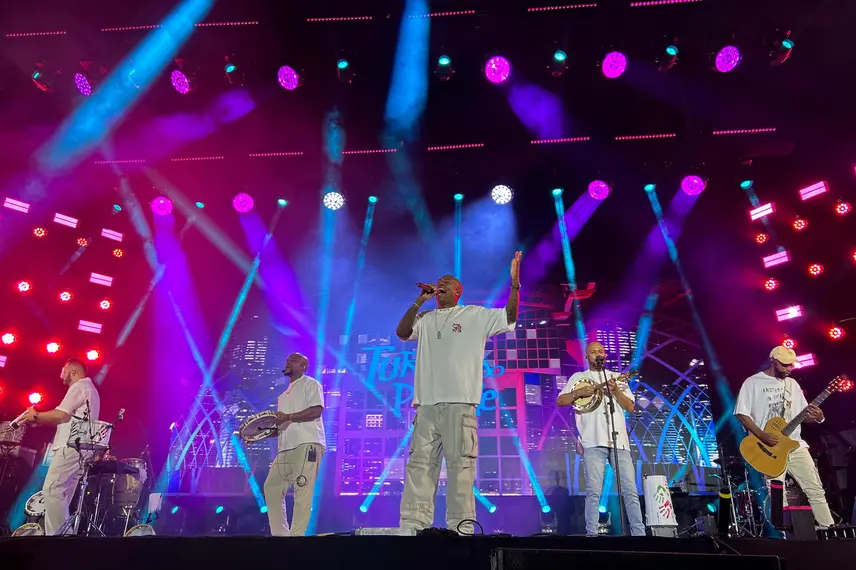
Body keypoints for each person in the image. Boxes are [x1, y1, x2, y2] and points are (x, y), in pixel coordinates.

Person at [396, 252, 522, 534]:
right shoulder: (425, 317)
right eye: (437, 283)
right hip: (426, 404)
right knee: (419, 465)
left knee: (460, 467)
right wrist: (420, 300)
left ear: (457, 291)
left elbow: (510, 316)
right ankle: (413, 523)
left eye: (446, 283)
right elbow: (402, 332)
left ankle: (461, 525)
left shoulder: (475, 314)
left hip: (460, 403)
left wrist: (515, 285)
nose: (439, 285)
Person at [734, 345, 834, 528]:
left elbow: (804, 416)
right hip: (768, 448)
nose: (789, 369)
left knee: (815, 489)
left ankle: (828, 529)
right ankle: (785, 534)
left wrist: (819, 417)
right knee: (778, 496)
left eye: (791, 365)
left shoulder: (792, 384)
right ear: (772, 361)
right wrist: (762, 435)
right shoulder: (753, 382)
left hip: (795, 444)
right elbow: (741, 414)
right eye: (785, 365)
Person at [556, 342, 645, 536]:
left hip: (619, 442)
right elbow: (560, 401)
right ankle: (592, 534)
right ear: (586, 357)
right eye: (593, 352)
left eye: (601, 351)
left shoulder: (616, 378)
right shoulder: (578, 377)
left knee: (630, 490)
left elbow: (630, 407)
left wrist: (616, 392)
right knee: (593, 491)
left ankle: (639, 535)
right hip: (591, 442)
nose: (598, 354)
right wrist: (578, 393)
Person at [20, 358, 101, 536]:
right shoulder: (90, 390)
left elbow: (61, 415)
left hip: (71, 446)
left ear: (72, 371)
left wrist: (36, 416)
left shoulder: (80, 386)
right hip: (79, 448)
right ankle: (62, 537)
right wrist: (40, 420)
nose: (60, 375)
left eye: (63, 371)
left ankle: (60, 537)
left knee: (52, 490)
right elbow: (68, 419)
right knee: (62, 495)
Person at [263, 352, 326, 536]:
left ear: (303, 366)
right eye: (287, 359)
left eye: (293, 360)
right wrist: (257, 435)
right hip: (285, 448)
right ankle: (280, 536)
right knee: (272, 487)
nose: (288, 361)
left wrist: (289, 417)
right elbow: (283, 424)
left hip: (308, 443)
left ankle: (296, 537)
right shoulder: (282, 396)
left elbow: (316, 410)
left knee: (302, 489)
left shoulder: (310, 383)